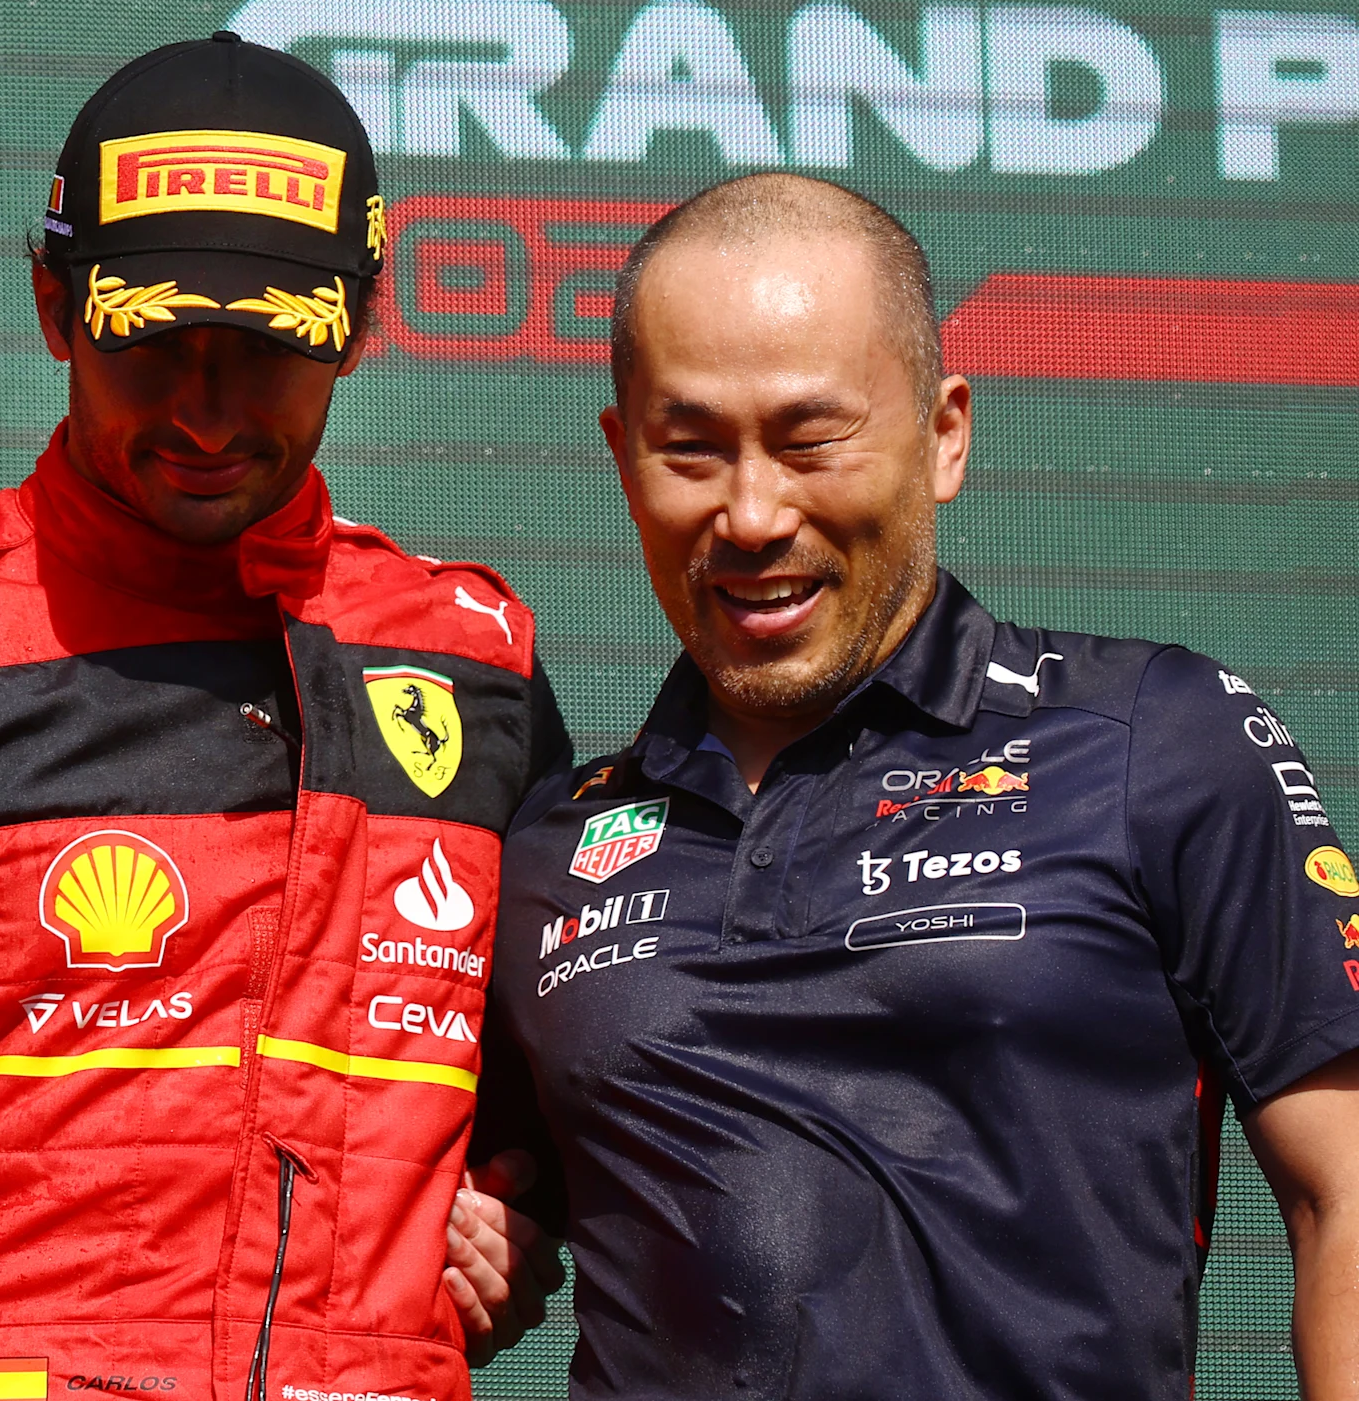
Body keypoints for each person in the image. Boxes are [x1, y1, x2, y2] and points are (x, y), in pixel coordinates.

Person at [0, 35, 570, 1401]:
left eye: (266, 347)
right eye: (152, 339)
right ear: (53, 305)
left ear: (358, 326)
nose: (204, 409)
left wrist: (509, 1204)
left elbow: (569, 1096)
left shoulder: (471, 660)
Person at [484, 171, 1359, 1398]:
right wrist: (467, 1244)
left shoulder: (1155, 737)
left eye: (809, 439)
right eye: (689, 448)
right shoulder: (540, 845)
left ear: (944, 433)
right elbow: (470, 1226)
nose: (751, 511)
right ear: (621, 458)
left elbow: (1342, 1188)